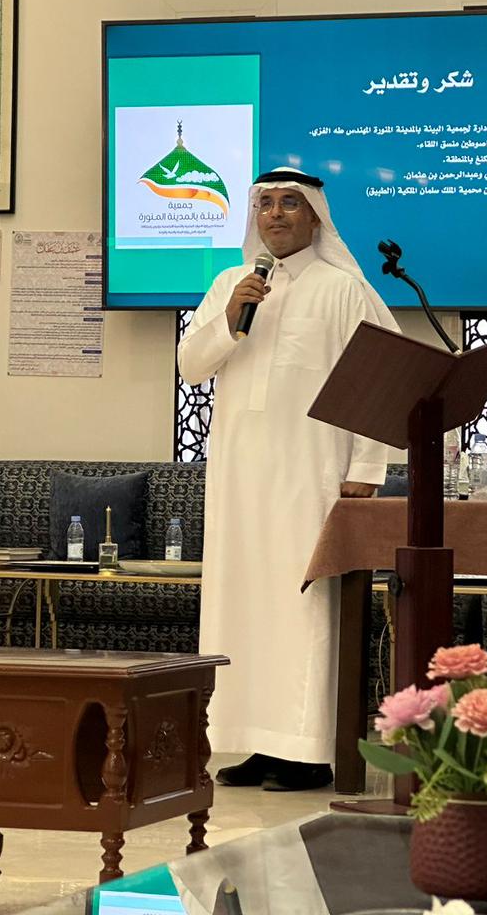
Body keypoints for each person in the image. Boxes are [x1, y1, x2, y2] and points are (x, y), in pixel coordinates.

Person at [178, 167, 398, 791]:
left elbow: (381, 379)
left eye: (291, 204)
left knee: (304, 607)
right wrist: (230, 316)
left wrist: (366, 468)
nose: (276, 214)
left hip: (313, 477)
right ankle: (254, 739)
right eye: (266, 204)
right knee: (242, 604)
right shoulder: (231, 284)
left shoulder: (343, 289)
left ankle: (307, 749)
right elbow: (191, 366)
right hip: (241, 480)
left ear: (315, 217)